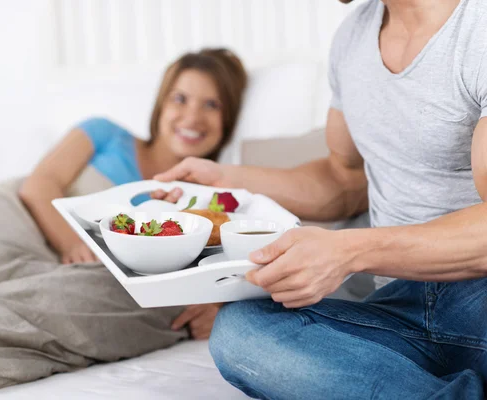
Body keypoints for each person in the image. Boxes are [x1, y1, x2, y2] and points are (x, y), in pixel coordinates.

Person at [154, 0, 487, 398]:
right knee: (241, 331)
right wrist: (224, 180)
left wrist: (349, 251)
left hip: (477, 297)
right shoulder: (353, 38)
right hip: (400, 304)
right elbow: (342, 180)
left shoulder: (476, 29)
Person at [20, 48, 247, 340]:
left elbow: (221, 272)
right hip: (21, 220)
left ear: (228, 119)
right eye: (180, 99)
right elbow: (37, 186)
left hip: (76, 282)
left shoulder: (211, 203)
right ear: (161, 104)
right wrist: (72, 243)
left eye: (212, 105)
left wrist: (217, 305)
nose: (192, 118)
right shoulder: (103, 133)